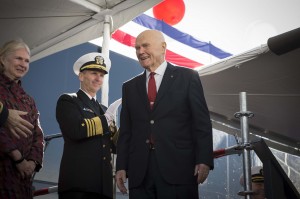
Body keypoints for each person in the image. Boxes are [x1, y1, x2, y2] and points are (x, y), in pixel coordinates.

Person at [115, 29, 214, 199]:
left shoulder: (188, 77)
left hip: (179, 170)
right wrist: (121, 166)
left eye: (145, 46)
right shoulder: (129, 87)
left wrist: (204, 159)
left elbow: (201, 123)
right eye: (137, 48)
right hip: (140, 174)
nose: (140, 52)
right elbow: (126, 131)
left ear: (163, 47)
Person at [56, 52, 117, 199]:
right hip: (78, 184)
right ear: (81, 76)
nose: (98, 78)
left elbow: (115, 147)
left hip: (103, 186)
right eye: (94, 73)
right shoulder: (68, 100)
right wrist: (105, 120)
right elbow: (76, 130)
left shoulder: (103, 109)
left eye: (102, 75)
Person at [0, 39, 44, 198]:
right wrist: (17, 158)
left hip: (23, 178)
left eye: (27, 61)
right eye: (18, 58)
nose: (23, 64)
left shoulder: (29, 100)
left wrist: (32, 162)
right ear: (3, 59)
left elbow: (38, 135)